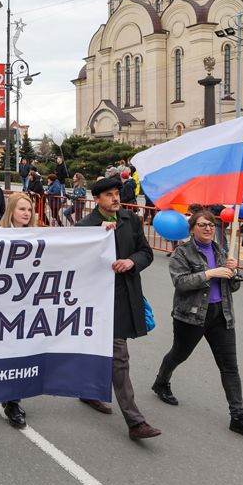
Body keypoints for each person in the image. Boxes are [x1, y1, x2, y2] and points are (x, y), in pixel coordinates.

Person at [153, 211, 243, 440]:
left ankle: (238, 417)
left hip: (221, 315)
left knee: (230, 367)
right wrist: (210, 273)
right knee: (179, 354)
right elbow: (181, 283)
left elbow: (233, 287)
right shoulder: (182, 252)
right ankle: (161, 382)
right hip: (191, 315)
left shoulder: (220, 250)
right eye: (202, 225)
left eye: (211, 225)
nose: (208, 229)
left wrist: (234, 272)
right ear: (192, 228)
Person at [77, 176, 160, 441]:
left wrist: (131, 262)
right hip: (96, 300)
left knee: (108, 350)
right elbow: (74, 263)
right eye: (109, 195)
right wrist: (94, 237)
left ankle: (88, 390)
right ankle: (135, 422)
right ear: (97, 199)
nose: (116, 198)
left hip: (124, 297)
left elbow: (146, 252)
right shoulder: (84, 227)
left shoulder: (131, 220)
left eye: (117, 193)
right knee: (118, 356)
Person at [0, 192, 38, 427]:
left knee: (20, 353)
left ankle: (13, 402)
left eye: (29, 210)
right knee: (2, 354)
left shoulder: (39, 237)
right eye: (22, 209)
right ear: (11, 211)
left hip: (26, 305)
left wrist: (100, 230)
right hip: (0, 305)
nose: (26, 213)